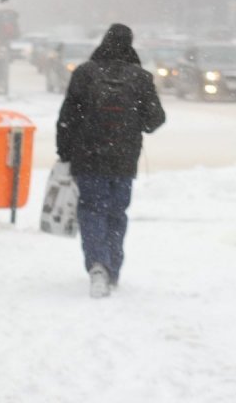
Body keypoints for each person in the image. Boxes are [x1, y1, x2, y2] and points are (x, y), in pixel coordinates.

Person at [56, 23, 166, 298]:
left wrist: (65, 153)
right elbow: (155, 120)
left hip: (88, 157)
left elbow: (67, 117)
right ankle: (113, 268)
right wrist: (134, 120)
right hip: (124, 160)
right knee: (116, 214)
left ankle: (97, 266)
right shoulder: (140, 78)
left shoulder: (84, 73)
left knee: (92, 210)